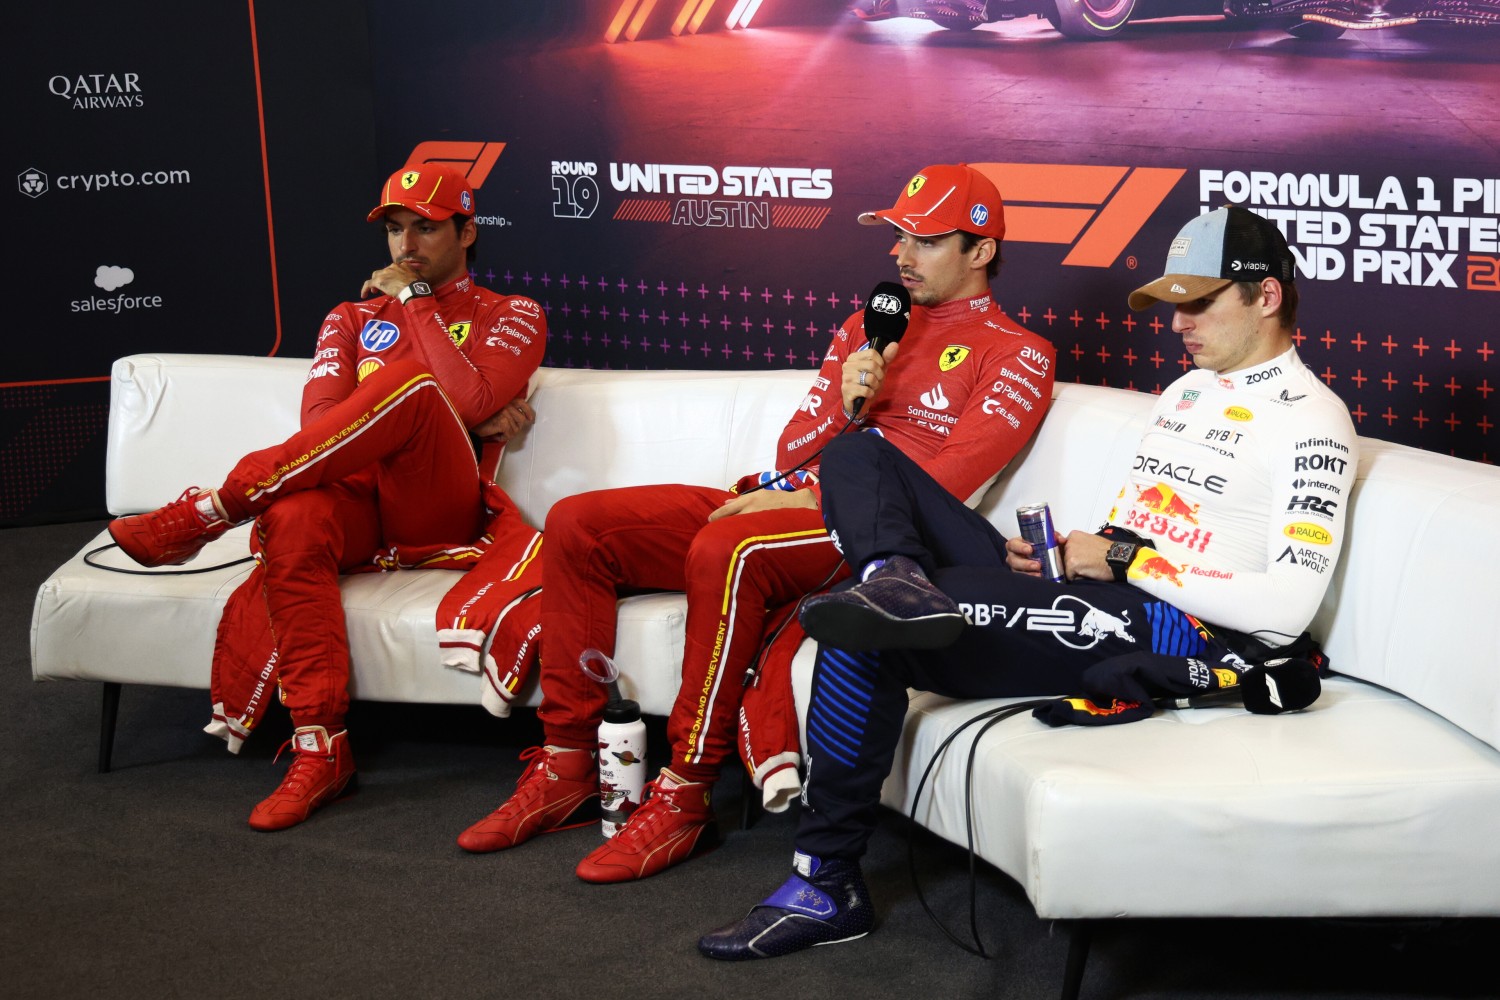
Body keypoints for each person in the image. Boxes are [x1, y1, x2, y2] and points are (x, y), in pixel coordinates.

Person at [698, 205, 1359, 960]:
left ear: (1266, 297)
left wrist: (1118, 562)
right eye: (1173, 303)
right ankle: (895, 575)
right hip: (1104, 588)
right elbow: (1146, 531)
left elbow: (1281, 613)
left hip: (1180, 627)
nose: (1178, 321)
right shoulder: (1187, 392)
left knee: (862, 628)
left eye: (1199, 301)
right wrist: (1060, 562)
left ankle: (827, 885)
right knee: (860, 460)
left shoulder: (1314, 421)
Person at [455, 164, 1057, 884]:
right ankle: (569, 764)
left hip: (865, 538)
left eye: (924, 241)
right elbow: (791, 451)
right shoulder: (869, 327)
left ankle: (683, 793)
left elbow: (937, 487)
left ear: (981, 250)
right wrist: (845, 402)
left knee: (727, 546)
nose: (900, 254)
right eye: (897, 236)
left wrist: (798, 503)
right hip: (781, 503)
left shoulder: (1019, 354)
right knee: (579, 522)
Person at [108, 164, 546, 831]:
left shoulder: (513, 313)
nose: (407, 245)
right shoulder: (346, 318)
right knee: (291, 513)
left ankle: (208, 511)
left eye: (425, 227)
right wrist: (466, 405)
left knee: (412, 388)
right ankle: (320, 746)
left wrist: (418, 307)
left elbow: (466, 399)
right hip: (355, 509)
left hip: (442, 511)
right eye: (396, 229)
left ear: (467, 231)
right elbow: (319, 433)